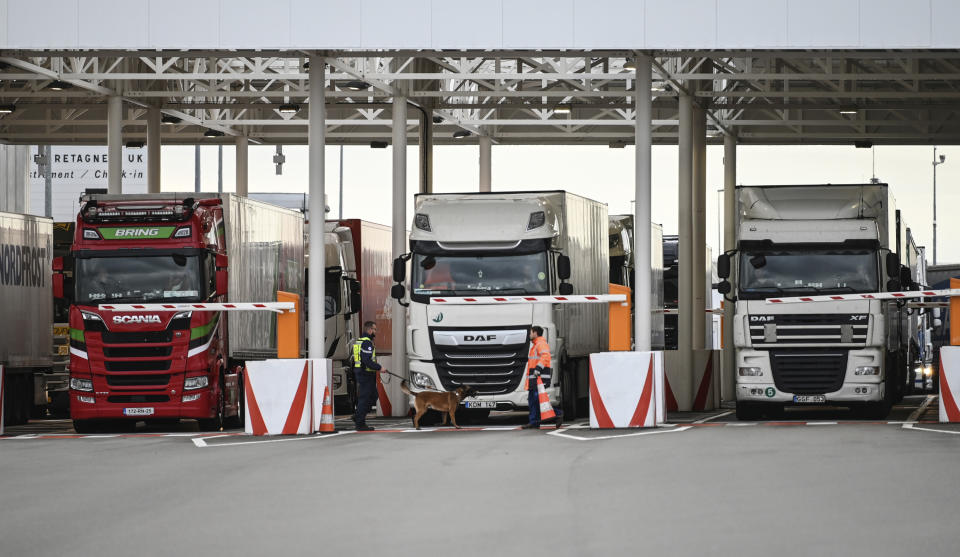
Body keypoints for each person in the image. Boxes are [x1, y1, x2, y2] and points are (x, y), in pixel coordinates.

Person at [522, 325, 561, 429]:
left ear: (535, 333)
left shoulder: (541, 344)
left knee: (538, 400)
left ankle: (558, 414)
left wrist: (538, 369)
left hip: (539, 378)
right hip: (534, 378)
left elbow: (546, 357)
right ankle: (534, 421)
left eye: (530, 332)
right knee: (532, 400)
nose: (529, 335)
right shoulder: (535, 345)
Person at [352, 321, 386, 431]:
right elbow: (366, 360)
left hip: (362, 372)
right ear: (370, 330)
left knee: (373, 396)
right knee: (365, 398)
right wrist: (379, 367)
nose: (375, 332)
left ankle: (358, 416)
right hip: (365, 373)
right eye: (374, 329)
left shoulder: (360, 341)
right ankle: (360, 423)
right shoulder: (367, 343)